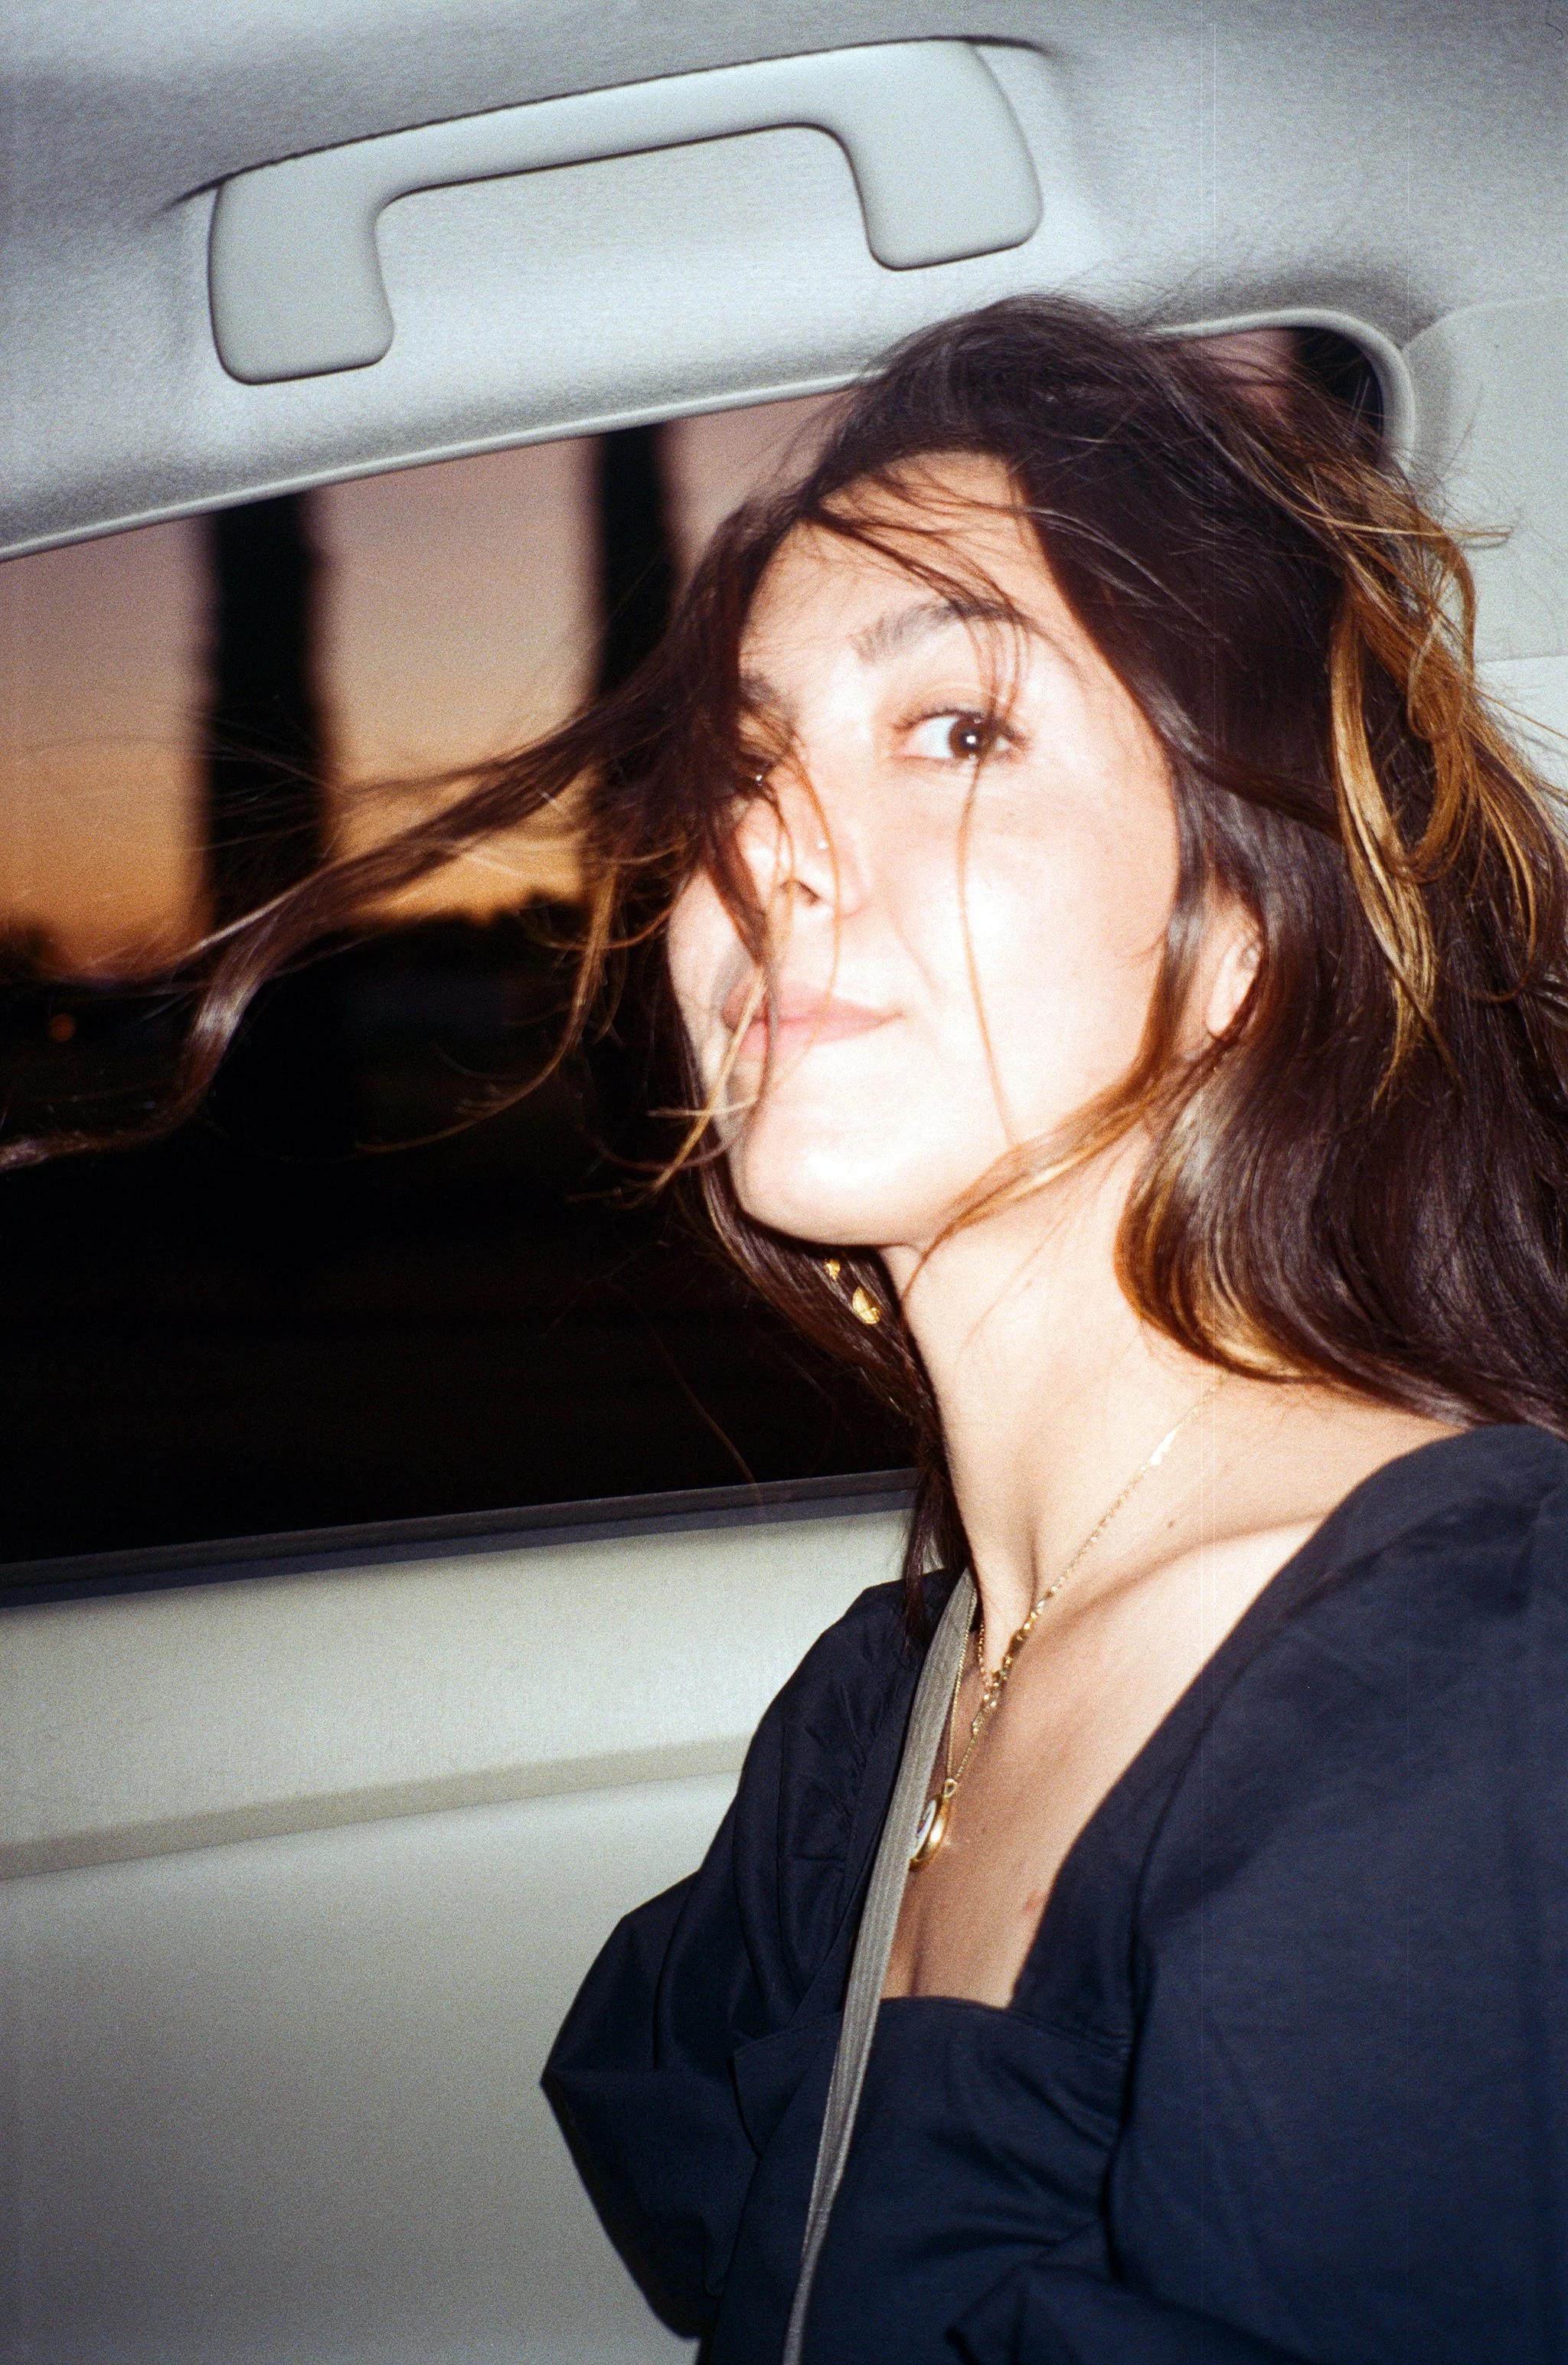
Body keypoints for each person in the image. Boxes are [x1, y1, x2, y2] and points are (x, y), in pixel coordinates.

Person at [19, 297, 1568, 2357]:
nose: (764, 848)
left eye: (957, 731)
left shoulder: (1471, 1714)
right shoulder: (893, 1705)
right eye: (740, 765)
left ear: (1246, 928)